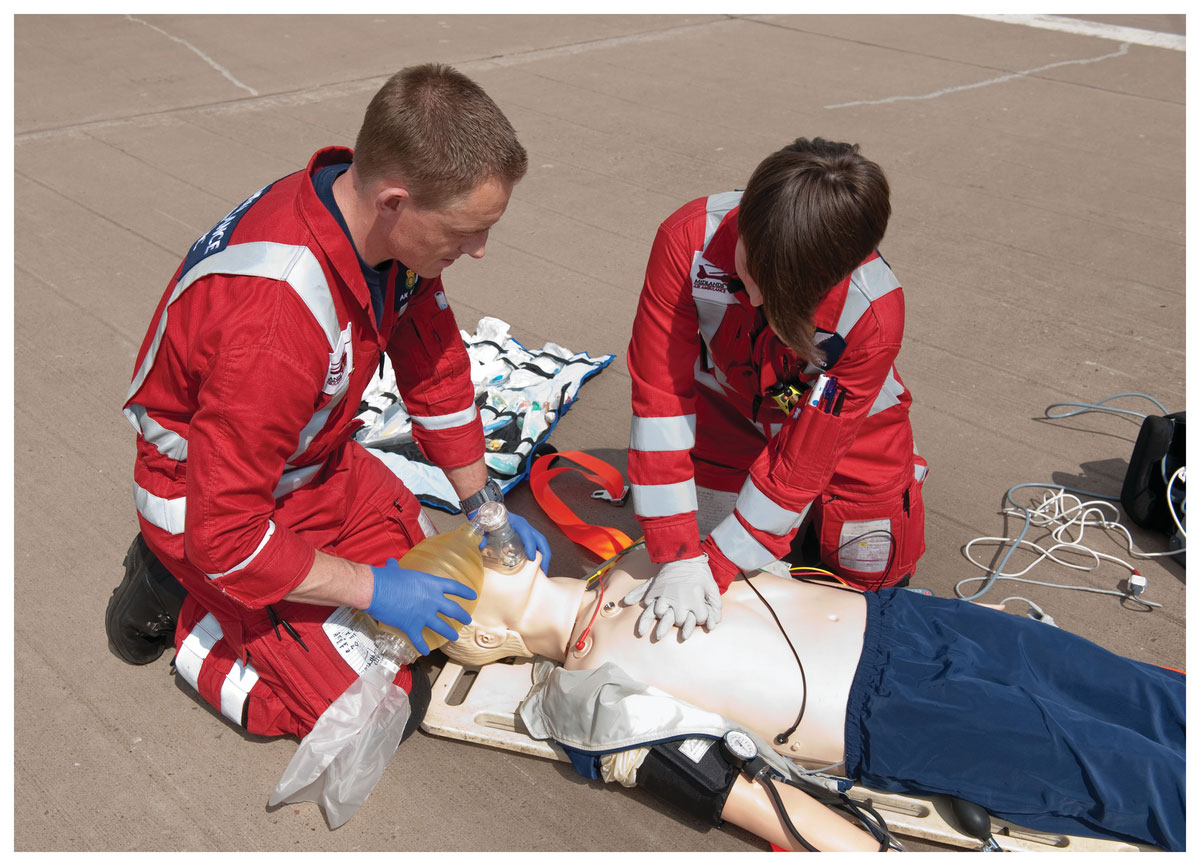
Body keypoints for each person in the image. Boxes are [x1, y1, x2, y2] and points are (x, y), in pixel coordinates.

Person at [105, 63, 551, 743]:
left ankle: (267, 596)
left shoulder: (370, 226)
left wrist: (481, 506)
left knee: (445, 601)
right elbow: (225, 533)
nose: (479, 250)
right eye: (466, 231)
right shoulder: (276, 323)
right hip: (204, 504)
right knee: (366, 712)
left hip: (310, 466)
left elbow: (432, 366)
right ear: (396, 201)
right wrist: (376, 591)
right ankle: (181, 603)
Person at [439, 547, 1184, 852]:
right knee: (1133, 773)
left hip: (909, 619)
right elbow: (737, 791)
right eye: (460, 582)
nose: (473, 552)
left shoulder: (639, 551)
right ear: (484, 640)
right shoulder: (586, 695)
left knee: (1140, 695)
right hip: (895, 715)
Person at [625, 138, 926, 640]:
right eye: (751, 270)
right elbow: (661, 394)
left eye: (784, 289)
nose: (759, 296)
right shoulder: (688, 240)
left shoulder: (873, 312)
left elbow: (807, 455)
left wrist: (721, 562)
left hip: (847, 423)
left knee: (870, 568)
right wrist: (680, 555)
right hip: (727, 400)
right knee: (705, 544)